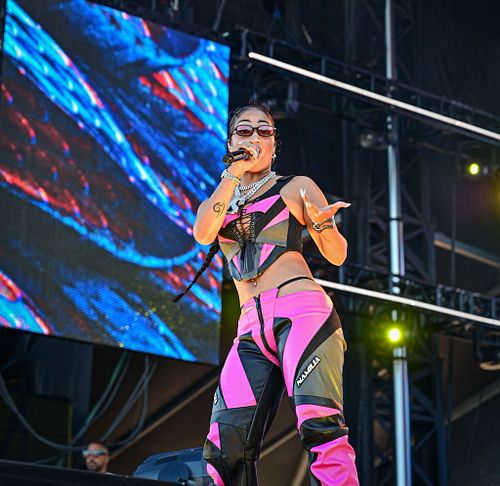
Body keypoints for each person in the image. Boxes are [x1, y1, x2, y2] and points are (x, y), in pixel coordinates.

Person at [191, 100, 359, 485]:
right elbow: (203, 233)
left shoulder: (296, 187)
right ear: (231, 142)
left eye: (263, 130)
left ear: (273, 144)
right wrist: (233, 173)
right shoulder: (218, 200)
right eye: (244, 130)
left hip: (301, 312)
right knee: (224, 448)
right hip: (250, 329)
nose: (254, 136)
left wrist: (324, 227)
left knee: (320, 425)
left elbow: (337, 255)